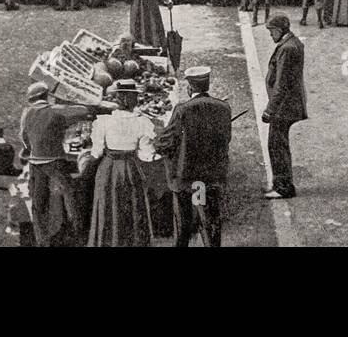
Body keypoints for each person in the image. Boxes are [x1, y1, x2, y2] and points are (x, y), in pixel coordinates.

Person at [155, 65, 233, 247]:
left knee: (183, 221)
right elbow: (226, 139)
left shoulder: (182, 110)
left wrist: (157, 143)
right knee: (210, 219)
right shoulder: (224, 107)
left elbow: (166, 141)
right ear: (207, 84)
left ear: (190, 87)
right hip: (213, 175)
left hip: (187, 177)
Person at [19, 83, 97, 247]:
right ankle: (78, 234)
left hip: (35, 162)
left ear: (31, 99)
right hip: (54, 160)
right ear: (46, 95)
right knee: (70, 194)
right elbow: (83, 111)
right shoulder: (56, 111)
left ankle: (42, 240)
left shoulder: (27, 113)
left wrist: (32, 148)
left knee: (38, 202)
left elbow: (24, 138)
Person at [87, 79, 157, 247]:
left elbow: (96, 152)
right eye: (136, 97)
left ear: (117, 100)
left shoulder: (103, 121)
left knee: (108, 208)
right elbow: (146, 154)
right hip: (130, 169)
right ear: (131, 100)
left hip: (108, 169)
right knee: (131, 209)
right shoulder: (143, 123)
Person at [262, 15, 306, 200]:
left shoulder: (287, 49)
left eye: (272, 31)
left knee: (276, 145)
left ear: (280, 30)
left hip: (284, 106)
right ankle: (280, 183)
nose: (271, 34)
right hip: (289, 103)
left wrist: (269, 109)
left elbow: (281, 84)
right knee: (278, 144)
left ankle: (283, 187)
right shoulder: (294, 43)